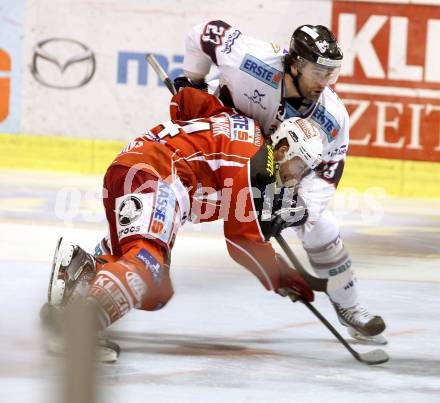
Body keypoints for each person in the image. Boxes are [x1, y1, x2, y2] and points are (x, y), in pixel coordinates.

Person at [42, 88, 323, 361]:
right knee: (147, 267)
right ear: (284, 148)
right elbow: (242, 242)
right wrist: (282, 275)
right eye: (299, 167)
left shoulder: (242, 127)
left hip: (130, 166)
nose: (297, 178)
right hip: (160, 174)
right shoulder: (256, 162)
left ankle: (79, 270)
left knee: (156, 290)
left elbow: (185, 100)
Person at [176, 21, 386, 343]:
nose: (326, 82)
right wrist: (193, 82)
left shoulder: (333, 116)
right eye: (319, 72)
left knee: (323, 227)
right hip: (222, 157)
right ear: (296, 63)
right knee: (172, 196)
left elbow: (329, 170)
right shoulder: (251, 61)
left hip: (280, 175)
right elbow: (202, 33)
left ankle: (351, 307)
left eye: (332, 73)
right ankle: (110, 259)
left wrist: (299, 211)